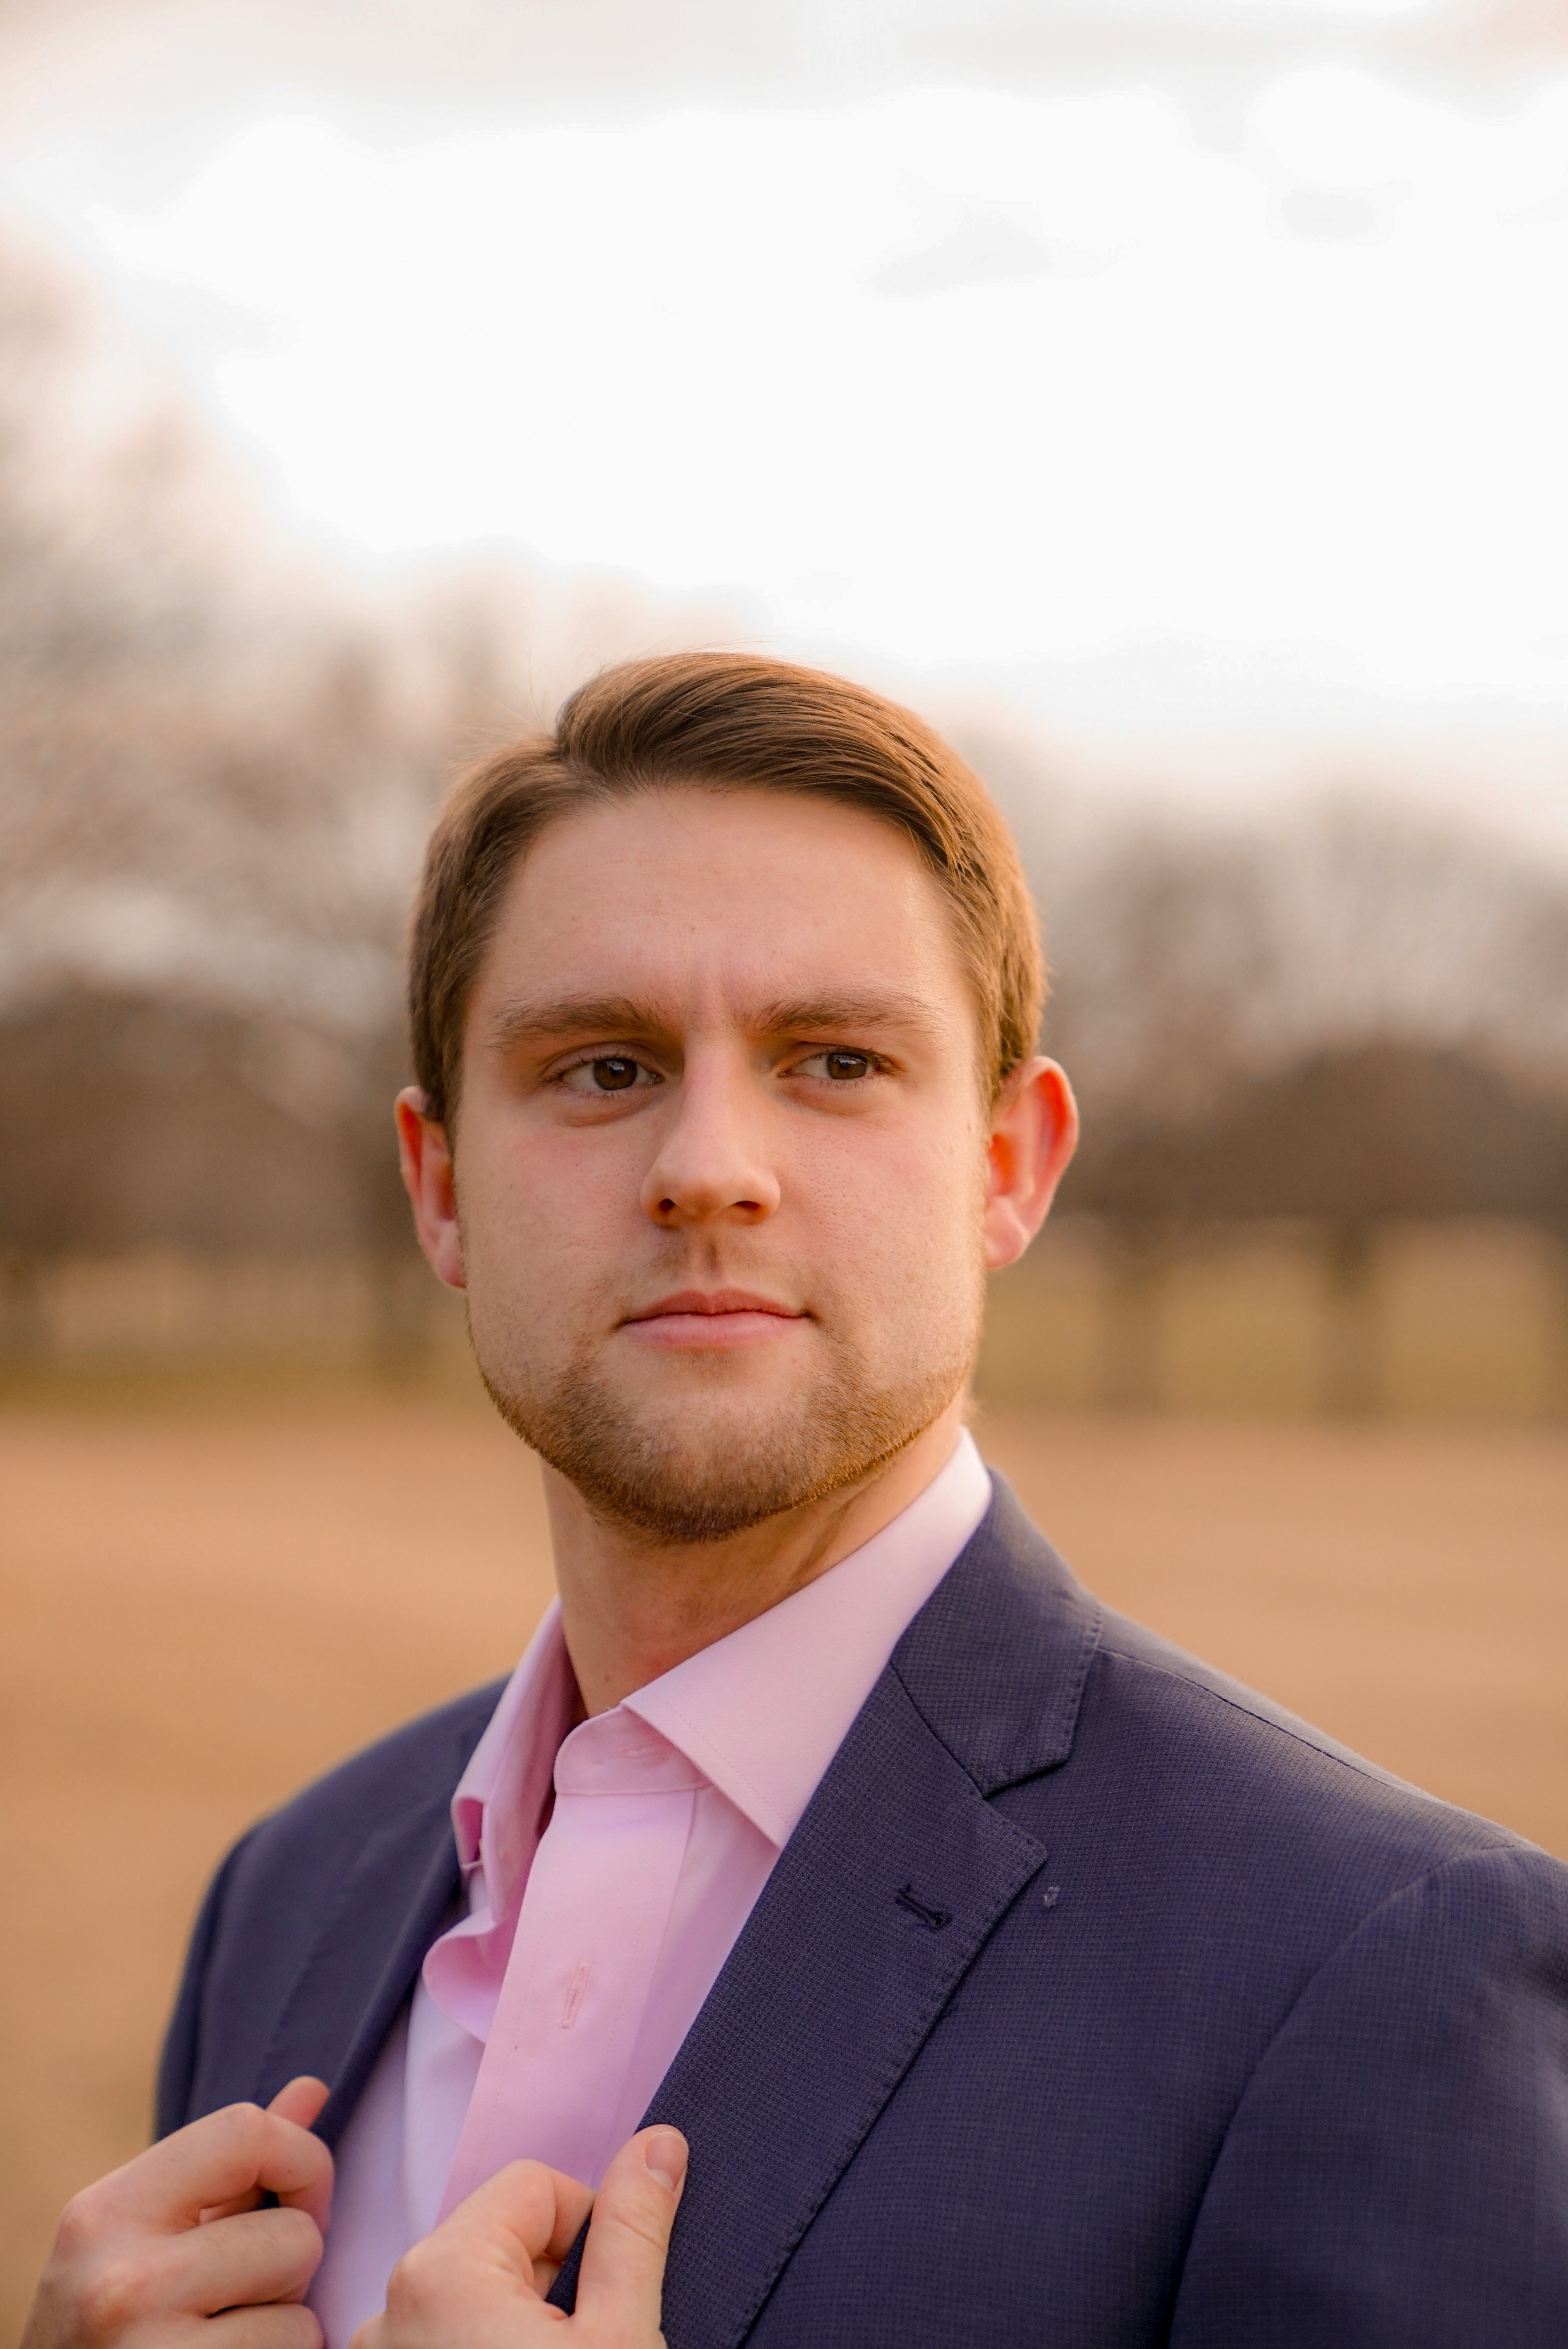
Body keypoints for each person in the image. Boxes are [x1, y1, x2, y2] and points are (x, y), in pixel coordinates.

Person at [24, 653, 1568, 2349]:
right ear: (440, 1188)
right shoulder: (291, 1887)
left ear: (1008, 1167)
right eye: (601, 1067)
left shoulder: (1372, 1966)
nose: (708, 1165)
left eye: (832, 1061)